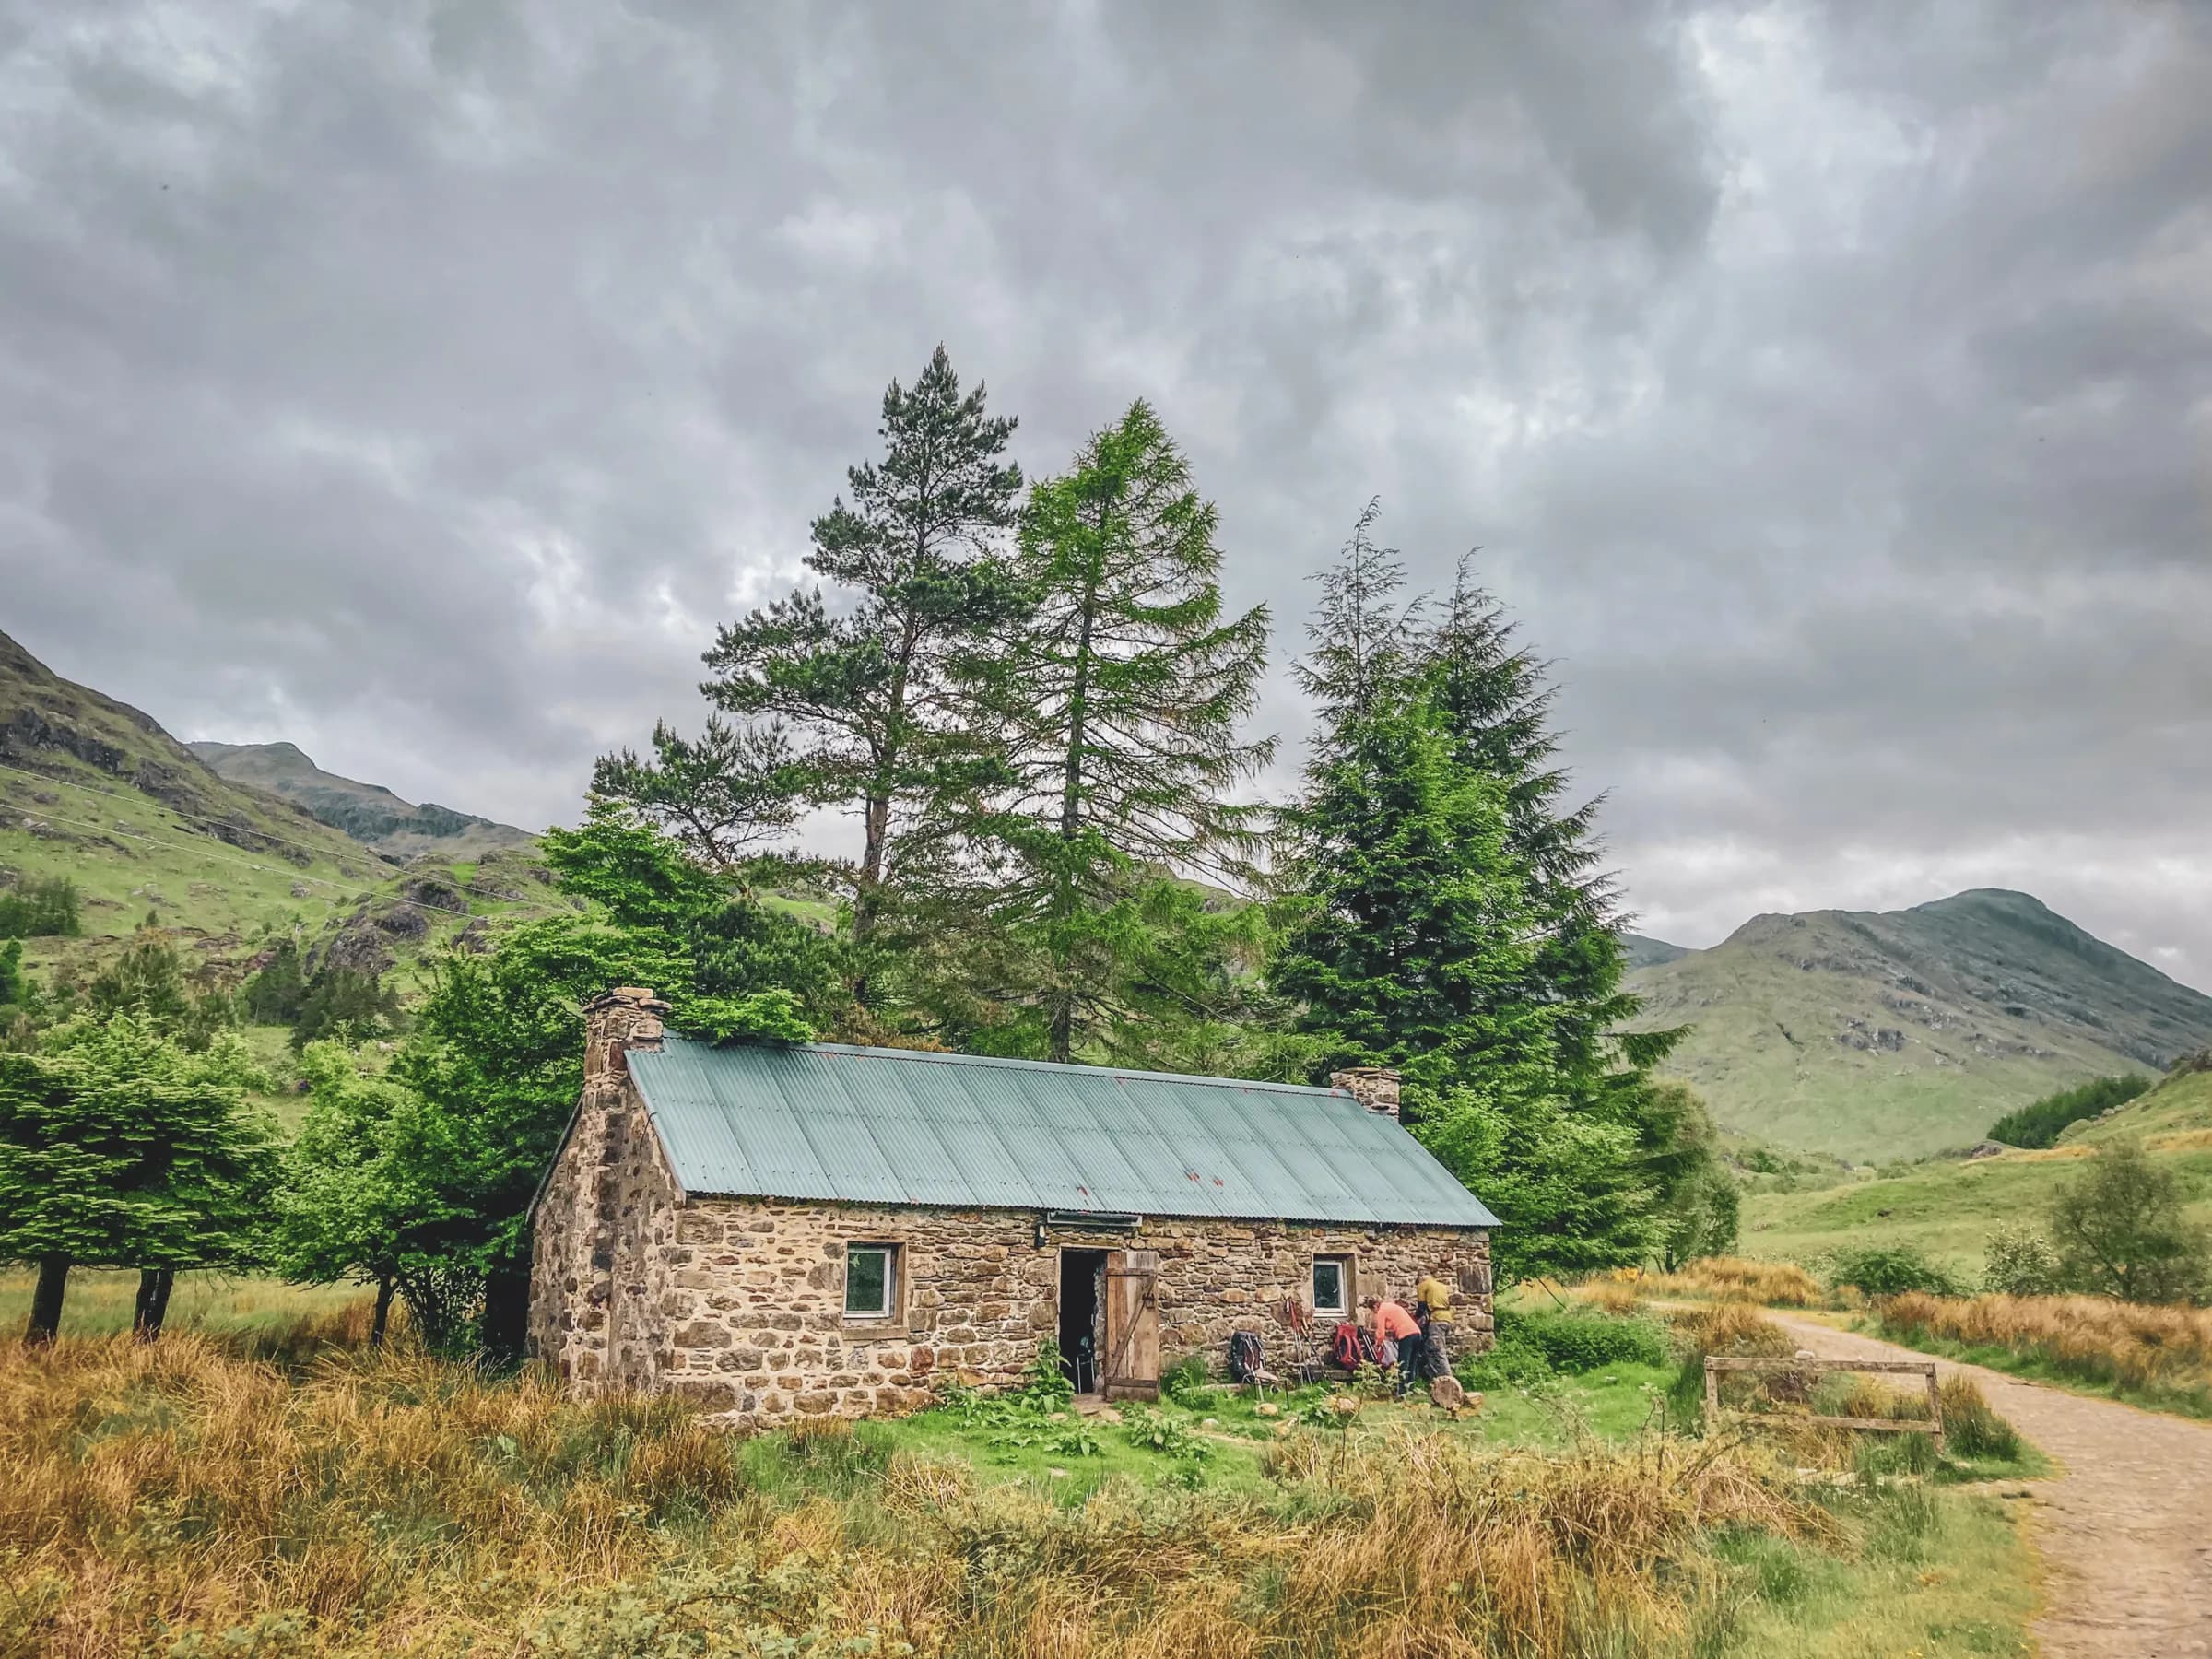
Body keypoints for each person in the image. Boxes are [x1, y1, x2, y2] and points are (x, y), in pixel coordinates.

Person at [1362, 1293, 1424, 1397]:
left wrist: (1378, 1345)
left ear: (1375, 1306)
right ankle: (1411, 1389)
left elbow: (1381, 1332)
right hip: (1417, 1333)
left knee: (1402, 1364)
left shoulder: (1382, 1310)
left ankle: (1401, 1393)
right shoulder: (1392, 1306)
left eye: (1373, 1311)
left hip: (1406, 1335)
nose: (1374, 1313)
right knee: (1412, 1364)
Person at [1415, 1270, 1454, 1375]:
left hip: (1437, 1319)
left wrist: (1415, 1318)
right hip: (1447, 1318)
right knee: (1429, 1347)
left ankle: (1448, 1378)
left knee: (1438, 1349)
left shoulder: (1422, 1285)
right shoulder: (1441, 1286)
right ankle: (1435, 1377)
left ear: (1420, 1278)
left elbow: (1421, 1307)